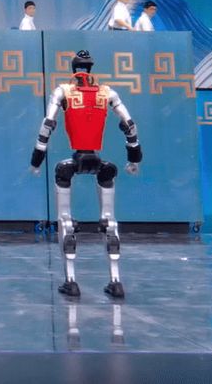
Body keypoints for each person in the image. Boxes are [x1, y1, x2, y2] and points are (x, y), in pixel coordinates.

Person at [30, 50, 142, 299]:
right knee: (109, 221)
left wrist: (36, 160)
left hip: (74, 161)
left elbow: (47, 125)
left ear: (74, 69)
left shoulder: (63, 91)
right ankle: (116, 281)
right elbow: (129, 125)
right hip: (100, 161)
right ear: (90, 69)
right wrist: (134, 157)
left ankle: (71, 280)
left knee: (65, 221)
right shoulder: (107, 93)